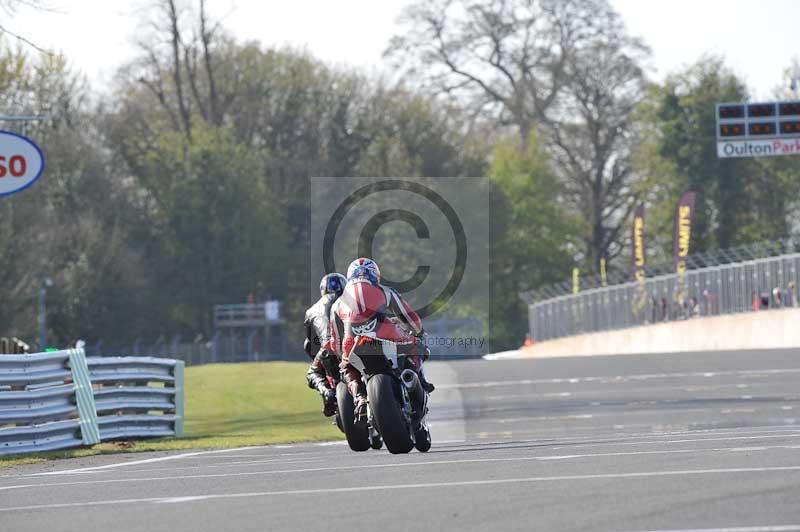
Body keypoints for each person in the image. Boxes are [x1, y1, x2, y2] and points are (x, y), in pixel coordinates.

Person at [330, 257, 433, 426]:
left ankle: (360, 397)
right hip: (386, 334)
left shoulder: (337, 304)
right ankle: (414, 380)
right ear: (375, 275)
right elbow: (410, 318)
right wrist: (419, 332)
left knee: (348, 369)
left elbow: (335, 340)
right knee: (416, 345)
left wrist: (344, 359)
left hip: (352, 342)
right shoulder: (385, 291)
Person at [303, 273, 347, 417]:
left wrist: (320, 354)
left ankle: (328, 392)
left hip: (328, 348)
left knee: (312, 373)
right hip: (354, 343)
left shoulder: (311, 311)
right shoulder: (352, 302)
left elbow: (310, 344)